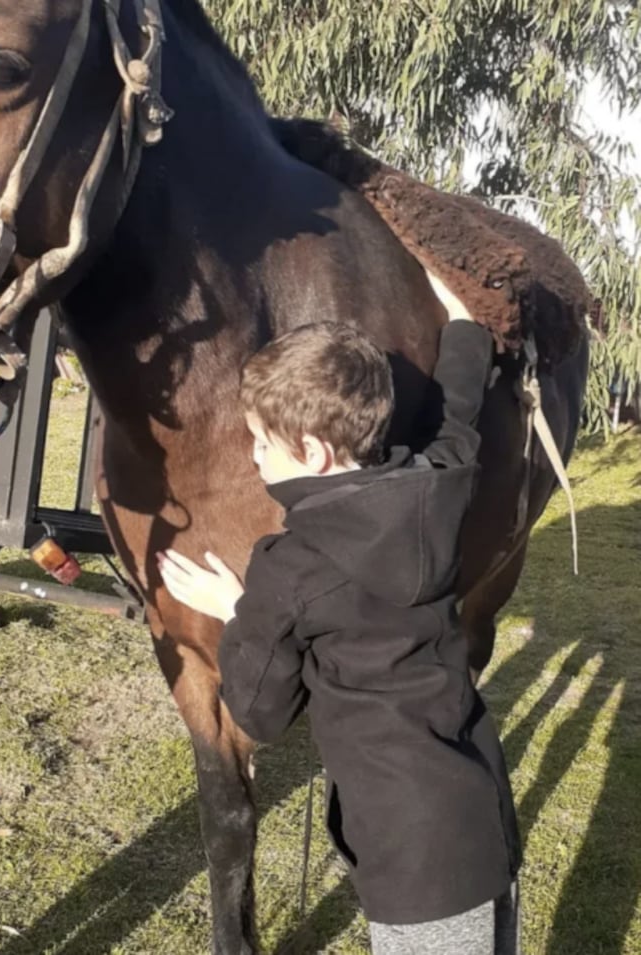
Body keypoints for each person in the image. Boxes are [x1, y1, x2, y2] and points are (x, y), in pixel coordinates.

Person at [158, 272, 521, 955]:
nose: (256, 454)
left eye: (261, 440)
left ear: (313, 453)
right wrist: (465, 328)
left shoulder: (288, 570)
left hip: (412, 861)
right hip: (481, 814)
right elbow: (456, 421)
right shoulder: (435, 490)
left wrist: (237, 611)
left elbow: (260, 712)